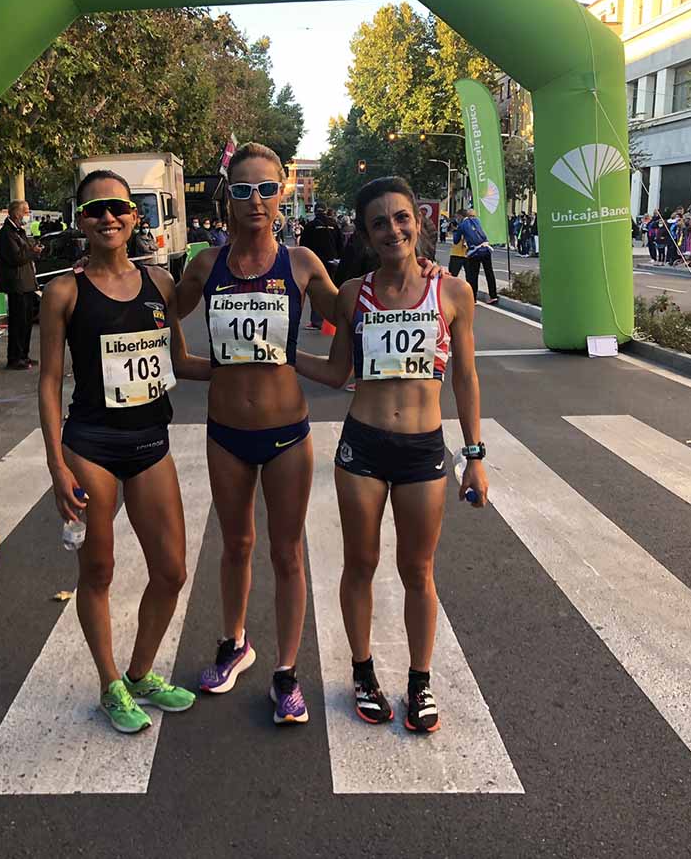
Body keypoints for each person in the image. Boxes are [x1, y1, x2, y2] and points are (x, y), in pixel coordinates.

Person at [174, 142, 436, 725]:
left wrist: (415, 273)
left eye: (267, 188)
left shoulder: (301, 264)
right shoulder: (204, 265)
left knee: (287, 552)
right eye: (242, 190)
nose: (255, 201)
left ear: (283, 192)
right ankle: (234, 642)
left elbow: (352, 307)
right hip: (225, 431)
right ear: (228, 197)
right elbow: (161, 310)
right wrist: (188, 363)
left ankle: (286, 673)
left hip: (288, 431)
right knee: (236, 544)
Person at [294, 175, 487, 732]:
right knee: (361, 564)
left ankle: (420, 682)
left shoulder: (451, 292)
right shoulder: (355, 294)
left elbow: (467, 378)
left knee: (418, 570)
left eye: (401, 218)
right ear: (366, 232)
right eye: (379, 222)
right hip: (364, 445)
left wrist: (474, 455)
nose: (392, 229)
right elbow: (336, 372)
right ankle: (362, 672)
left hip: (424, 448)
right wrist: (281, 355)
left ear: (418, 222)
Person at [38, 170, 208, 734]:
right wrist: (56, 464)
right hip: (92, 445)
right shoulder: (64, 291)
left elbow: (179, 361)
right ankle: (110, 681)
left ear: (135, 215)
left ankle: (139, 673)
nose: (108, 218)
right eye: (95, 210)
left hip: (150, 443)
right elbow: (49, 381)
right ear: (79, 220)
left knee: (172, 570)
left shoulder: (159, 283)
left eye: (118, 207)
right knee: (100, 569)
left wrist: (252, 367)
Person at [0, 199, 40, 371]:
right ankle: (15, 358)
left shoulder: (19, 232)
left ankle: (24, 355)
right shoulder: (6, 234)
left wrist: (34, 252)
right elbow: (16, 258)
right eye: (26, 212)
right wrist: (32, 252)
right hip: (17, 285)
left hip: (27, 284)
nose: (28, 215)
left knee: (26, 322)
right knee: (18, 323)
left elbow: (24, 253)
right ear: (16, 213)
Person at [300, 204, 344, 328]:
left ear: (315, 211)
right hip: (332, 262)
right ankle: (337, 318)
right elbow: (341, 244)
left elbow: (304, 245)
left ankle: (317, 320)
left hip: (315, 262)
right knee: (334, 289)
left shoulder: (310, 226)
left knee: (315, 291)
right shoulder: (334, 225)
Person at [455, 209, 497, 304]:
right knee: (489, 272)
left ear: (461, 216)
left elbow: (456, 240)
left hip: (475, 251)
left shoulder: (462, 225)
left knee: (473, 275)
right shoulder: (477, 221)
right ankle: (493, 295)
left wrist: (456, 230)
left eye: (457, 217)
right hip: (486, 248)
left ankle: (473, 298)